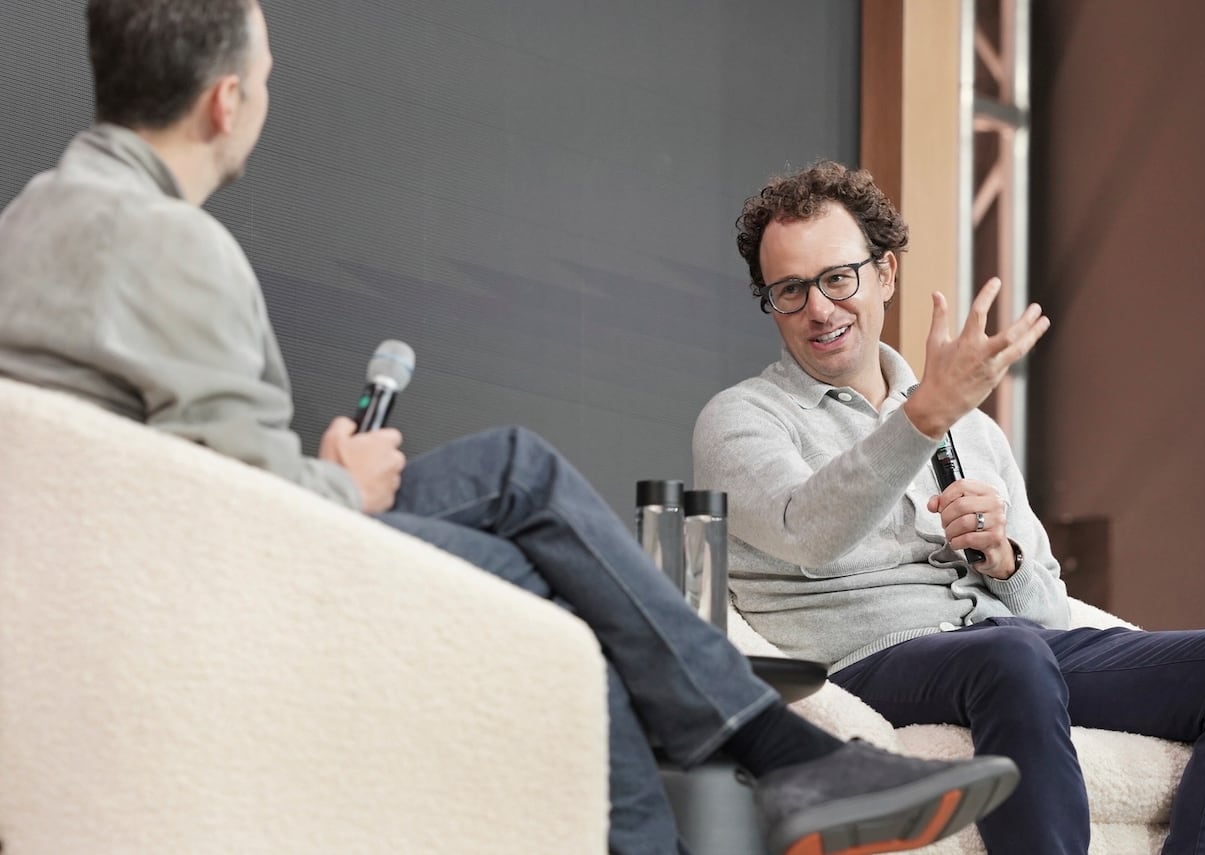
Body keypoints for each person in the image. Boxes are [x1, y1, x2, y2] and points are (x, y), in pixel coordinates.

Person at [0, 4, 1023, 854]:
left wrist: (308, 475)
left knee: (554, 583)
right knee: (520, 477)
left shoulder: (36, 219)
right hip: (198, 565)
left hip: (114, 562)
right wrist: (337, 487)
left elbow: (153, 460)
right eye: (265, 78)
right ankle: (785, 757)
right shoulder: (171, 242)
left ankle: (763, 780)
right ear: (227, 99)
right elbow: (238, 506)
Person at [692, 159, 1205, 854]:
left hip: (1008, 647)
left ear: (885, 274)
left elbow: (1048, 615)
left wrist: (1006, 560)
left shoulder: (972, 427)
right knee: (1008, 654)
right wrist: (925, 415)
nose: (818, 307)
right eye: (789, 290)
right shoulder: (741, 418)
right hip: (869, 659)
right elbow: (806, 529)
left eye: (837, 278)